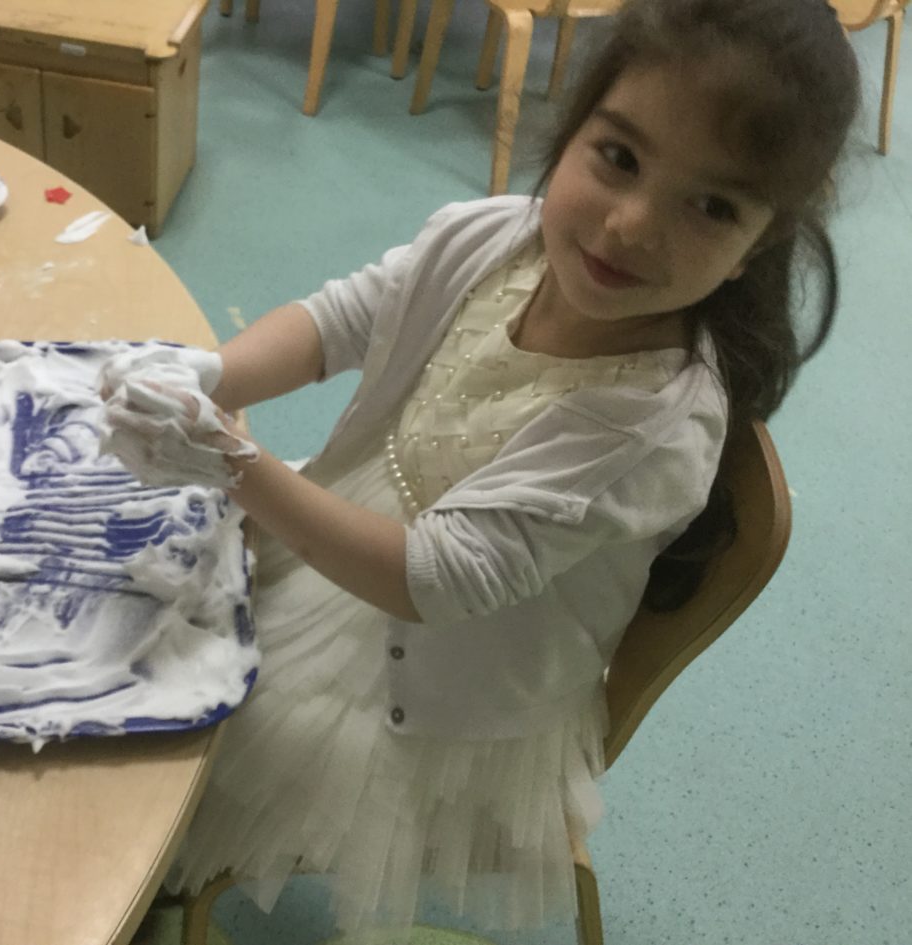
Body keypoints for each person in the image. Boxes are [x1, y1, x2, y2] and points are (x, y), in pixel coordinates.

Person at [100, 0, 860, 933]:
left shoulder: (652, 426)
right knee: (134, 589)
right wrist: (211, 378)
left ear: (761, 243)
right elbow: (343, 317)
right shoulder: (497, 237)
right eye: (618, 157)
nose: (629, 224)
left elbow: (439, 577)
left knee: (180, 731)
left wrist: (232, 463)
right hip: (361, 532)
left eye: (712, 206)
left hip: (444, 686)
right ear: (570, 127)